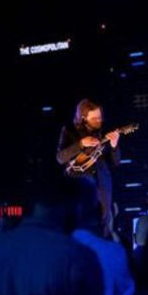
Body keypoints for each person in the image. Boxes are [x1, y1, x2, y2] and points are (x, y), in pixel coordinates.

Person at [56, 98, 120, 239]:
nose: (99, 121)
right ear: (84, 118)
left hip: (102, 185)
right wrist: (80, 144)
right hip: (79, 184)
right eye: (95, 118)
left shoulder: (105, 131)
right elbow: (60, 157)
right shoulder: (69, 131)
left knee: (104, 222)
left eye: (100, 117)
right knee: (79, 220)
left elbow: (115, 163)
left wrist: (114, 146)